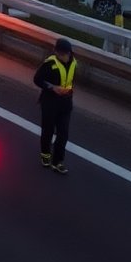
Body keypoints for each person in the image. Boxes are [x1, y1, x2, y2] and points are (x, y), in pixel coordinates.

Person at [34, 37, 77, 175]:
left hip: (65, 103)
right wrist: (52, 87)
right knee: (48, 131)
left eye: (65, 54)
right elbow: (37, 79)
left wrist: (69, 90)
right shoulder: (49, 64)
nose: (63, 57)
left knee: (63, 134)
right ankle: (45, 155)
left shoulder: (74, 63)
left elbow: (70, 80)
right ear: (55, 52)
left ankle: (58, 161)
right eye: (60, 54)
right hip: (50, 102)